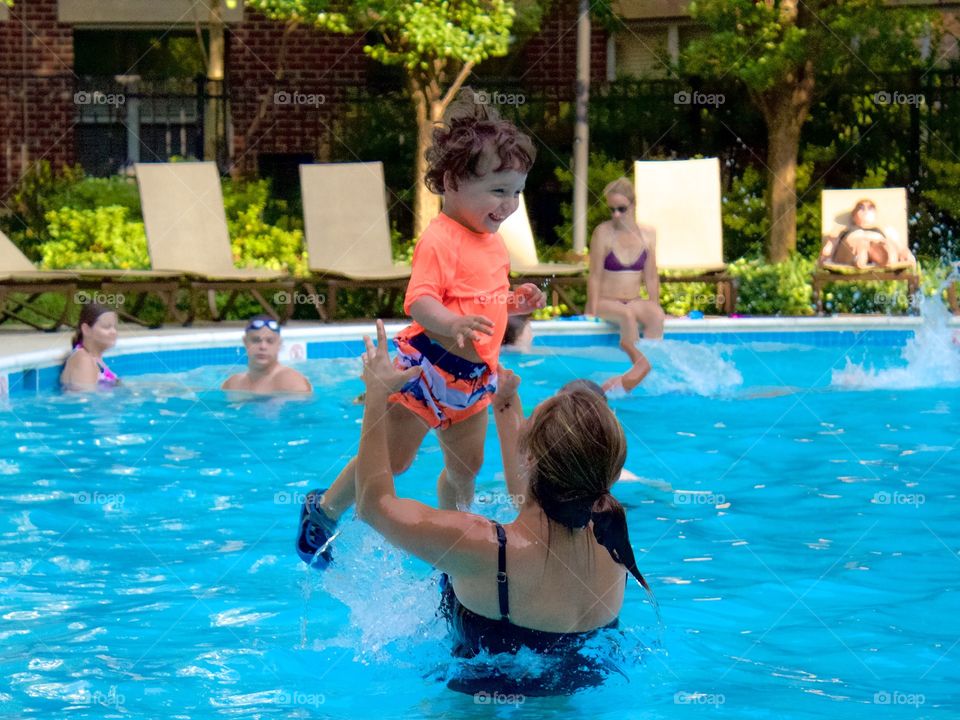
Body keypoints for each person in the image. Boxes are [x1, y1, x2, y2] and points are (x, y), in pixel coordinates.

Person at [296, 90, 545, 567]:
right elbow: (421, 300)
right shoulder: (440, 239)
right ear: (452, 182)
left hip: (471, 381)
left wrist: (515, 302)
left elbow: (483, 299)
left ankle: (457, 550)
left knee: (466, 468)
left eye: (517, 191)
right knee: (392, 462)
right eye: (498, 191)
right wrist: (451, 323)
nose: (509, 203)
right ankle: (323, 509)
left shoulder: (492, 242)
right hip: (424, 370)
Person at [355, 321, 650, 695]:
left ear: (531, 460)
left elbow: (373, 504)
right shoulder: (612, 535)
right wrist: (506, 405)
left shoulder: (483, 547)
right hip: (578, 696)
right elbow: (535, 499)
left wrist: (377, 395)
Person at [585, 178, 660, 392]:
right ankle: (637, 370)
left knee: (655, 315)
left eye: (621, 209)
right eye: (612, 210)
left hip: (633, 300)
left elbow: (652, 276)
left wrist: (655, 305)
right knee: (627, 315)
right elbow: (595, 276)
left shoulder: (648, 234)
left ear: (633, 205)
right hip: (606, 302)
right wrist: (590, 311)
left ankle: (651, 371)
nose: (616, 214)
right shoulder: (603, 232)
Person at [221, 315, 312, 394]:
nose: (263, 346)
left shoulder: (292, 383)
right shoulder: (232, 384)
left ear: (279, 344)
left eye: (270, 341)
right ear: (245, 342)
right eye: (256, 340)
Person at [819, 198, 915, 269]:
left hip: (878, 244)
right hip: (853, 246)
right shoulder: (842, 230)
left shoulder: (886, 229)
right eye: (861, 208)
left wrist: (908, 256)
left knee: (886, 246)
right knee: (861, 243)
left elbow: (901, 247)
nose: (866, 211)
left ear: (875, 214)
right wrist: (825, 259)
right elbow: (828, 248)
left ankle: (878, 255)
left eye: (870, 208)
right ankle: (862, 254)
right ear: (853, 215)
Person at [60, 303, 120, 391]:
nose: (114, 332)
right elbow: (84, 400)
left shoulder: (93, 358)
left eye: (115, 327)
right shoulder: (84, 360)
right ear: (86, 329)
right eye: (106, 327)